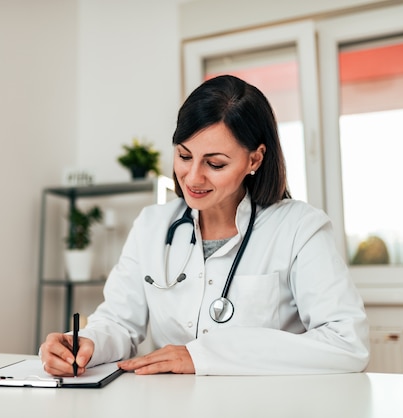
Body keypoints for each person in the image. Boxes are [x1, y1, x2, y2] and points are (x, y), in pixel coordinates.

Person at [39, 74, 369, 376]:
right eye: (184, 156)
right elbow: (119, 321)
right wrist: (86, 344)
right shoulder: (152, 226)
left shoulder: (300, 228)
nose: (193, 177)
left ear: (254, 159)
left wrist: (207, 356)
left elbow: (346, 343)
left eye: (215, 163)